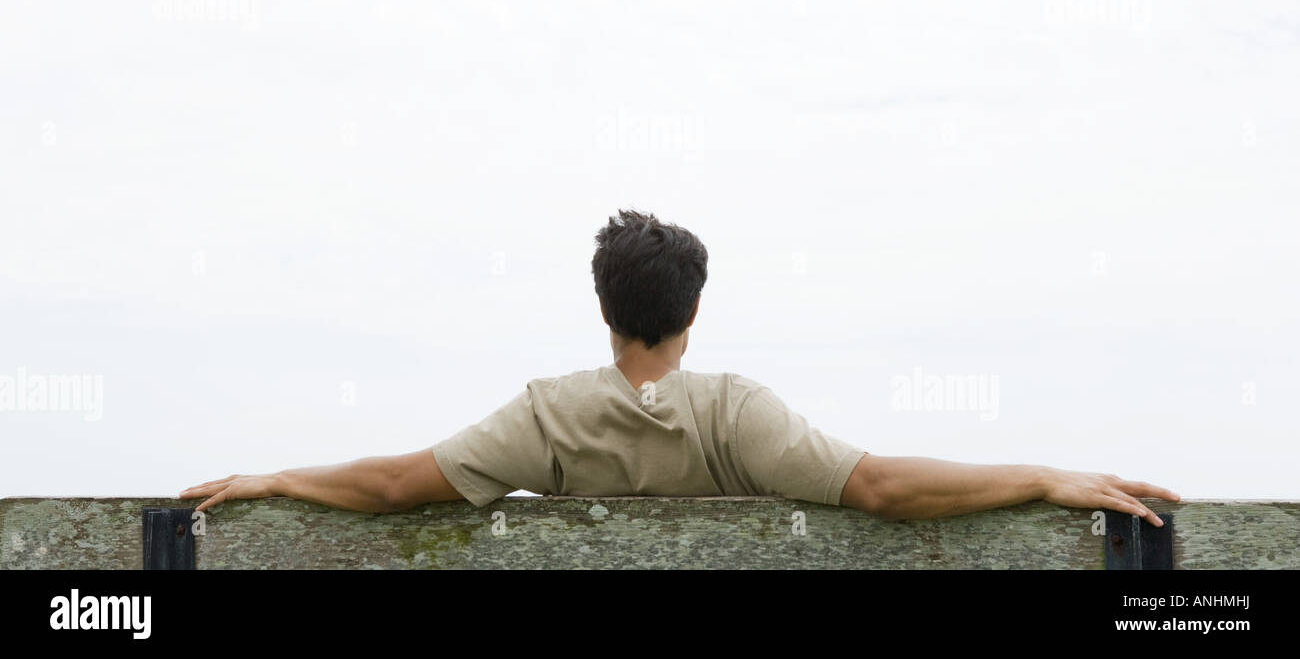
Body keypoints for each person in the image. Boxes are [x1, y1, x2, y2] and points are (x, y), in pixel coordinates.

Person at [181, 209, 1179, 526]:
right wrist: (1044, 477)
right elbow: (880, 486)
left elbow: (399, 485)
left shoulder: (548, 418)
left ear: (604, 309)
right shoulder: (736, 416)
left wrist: (281, 475)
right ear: (693, 312)